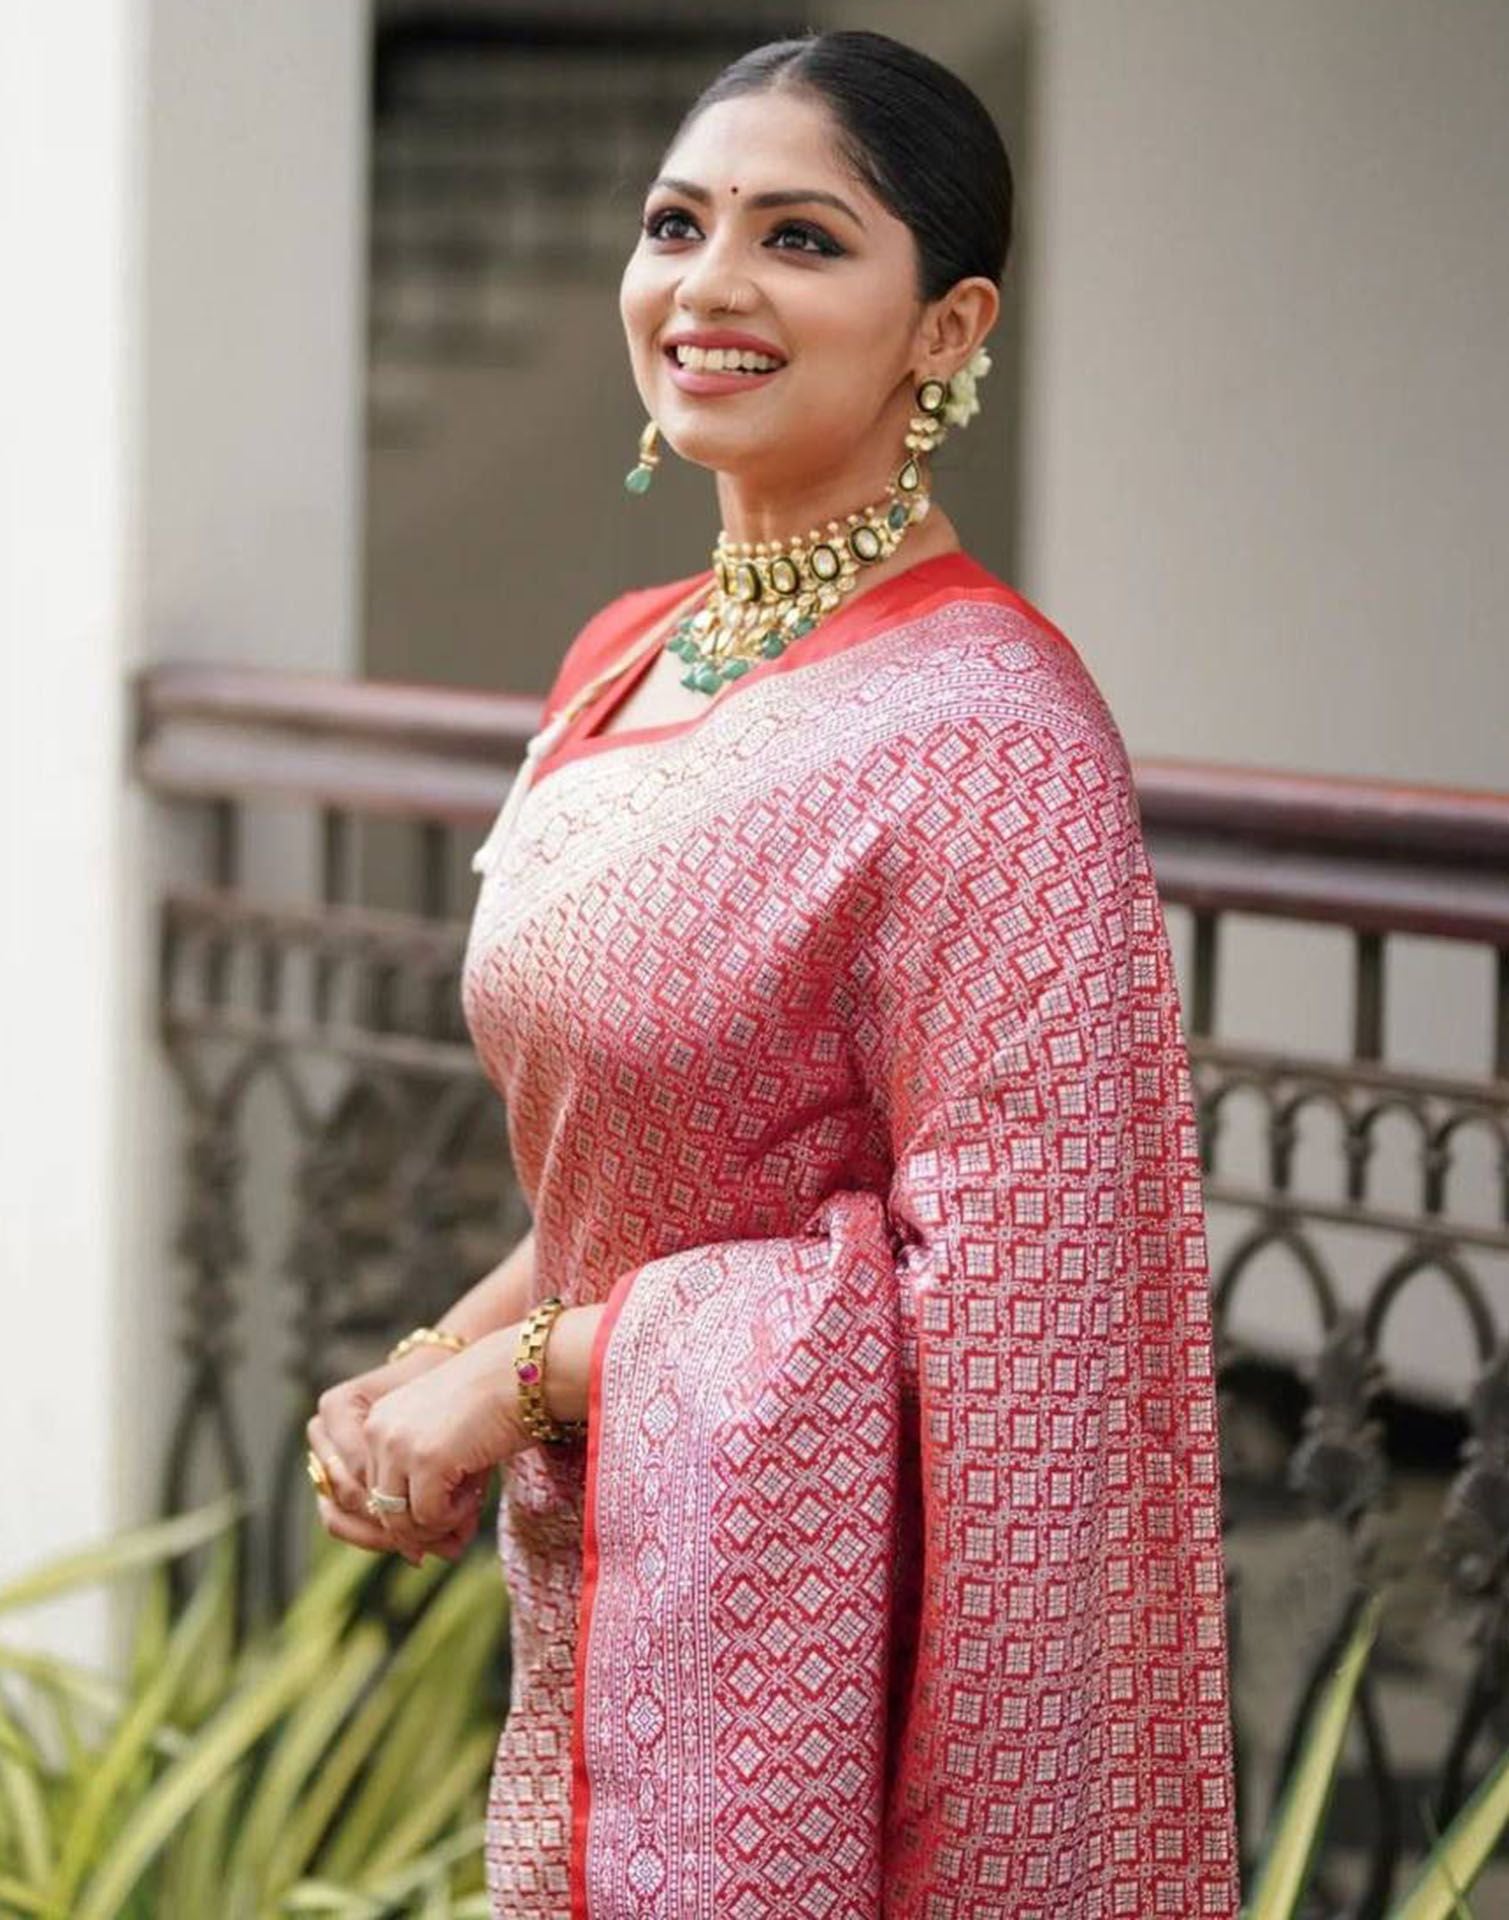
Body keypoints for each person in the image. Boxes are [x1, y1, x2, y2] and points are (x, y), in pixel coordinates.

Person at [305, 28, 1240, 1919]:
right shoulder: (622, 658)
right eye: (676, 222)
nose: (709, 286)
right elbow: (622, 1168)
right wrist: (434, 1362)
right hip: (618, 1571)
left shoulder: (990, 736)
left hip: (823, 1676)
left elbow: (1011, 1320)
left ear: (946, 325)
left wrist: (531, 1383)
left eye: (802, 239)